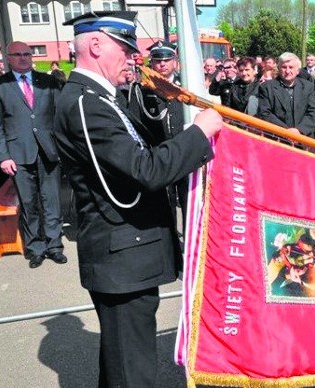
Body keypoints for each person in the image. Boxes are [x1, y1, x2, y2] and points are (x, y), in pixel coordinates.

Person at [55, 11, 222, 387]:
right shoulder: (87, 103)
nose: (133, 57)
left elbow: (143, 144)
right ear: (95, 45)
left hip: (128, 255)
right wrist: (198, 133)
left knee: (123, 362)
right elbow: (146, 170)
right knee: (133, 373)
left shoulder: (102, 98)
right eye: (125, 47)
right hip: (121, 257)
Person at [0, 41, 67, 269]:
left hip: (48, 152)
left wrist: (62, 147)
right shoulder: (0, 86)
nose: (23, 58)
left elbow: (60, 116)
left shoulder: (48, 82)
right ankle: (36, 248)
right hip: (17, 156)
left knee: (52, 202)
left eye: (27, 54)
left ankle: (54, 246)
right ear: (8, 58)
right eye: (18, 55)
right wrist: (3, 156)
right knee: (29, 203)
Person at [129, 41, 190, 236]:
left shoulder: (187, 84)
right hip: (158, 153)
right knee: (165, 202)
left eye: (166, 60)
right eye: (157, 61)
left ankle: (190, 242)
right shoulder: (142, 89)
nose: (162, 64)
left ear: (175, 62)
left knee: (189, 199)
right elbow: (135, 122)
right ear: (151, 63)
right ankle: (170, 237)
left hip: (185, 151)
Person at [257, 52, 315, 135]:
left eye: (291, 67)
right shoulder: (266, 87)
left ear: (298, 70)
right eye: (284, 67)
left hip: (303, 139)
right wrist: (286, 132)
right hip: (278, 137)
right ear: (279, 68)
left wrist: (299, 130)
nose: (287, 71)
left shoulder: (308, 86)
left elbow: (313, 112)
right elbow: (264, 113)